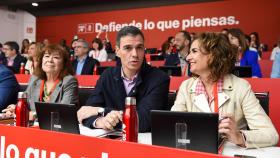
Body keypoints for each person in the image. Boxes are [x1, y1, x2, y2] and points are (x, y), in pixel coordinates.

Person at [171, 32, 279, 148]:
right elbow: (172, 127)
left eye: (194, 51)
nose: (188, 57)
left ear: (213, 54)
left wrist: (239, 137)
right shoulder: (186, 86)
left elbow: (271, 134)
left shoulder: (241, 87)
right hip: (195, 151)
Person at [77, 26, 170, 132]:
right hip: (108, 143)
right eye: (128, 48)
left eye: (139, 48)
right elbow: (86, 112)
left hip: (141, 144)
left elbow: (143, 122)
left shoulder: (159, 79)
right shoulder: (107, 75)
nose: (135, 54)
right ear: (117, 51)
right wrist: (100, 121)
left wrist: (101, 111)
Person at [3, 44, 79, 119]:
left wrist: (33, 115)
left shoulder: (69, 81)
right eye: (47, 56)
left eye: (56, 57)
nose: (50, 60)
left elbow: (64, 112)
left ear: (63, 64)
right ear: (41, 61)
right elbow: (26, 103)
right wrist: (15, 109)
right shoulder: (35, 79)